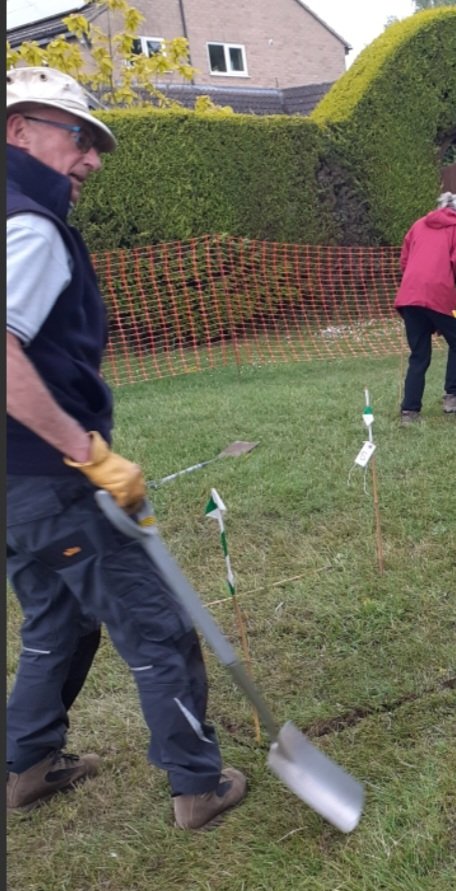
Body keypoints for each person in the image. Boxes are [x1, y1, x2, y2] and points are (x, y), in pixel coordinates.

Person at [6, 67, 246, 829]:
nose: (92, 160)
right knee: (156, 624)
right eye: (79, 137)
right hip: (50, 479)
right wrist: (86, 453)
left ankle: (28, 765)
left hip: (14, 492)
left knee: (57, 620)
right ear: (19, 130)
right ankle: (197, 785)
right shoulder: (31, 229)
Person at [394, 191, 456, 425]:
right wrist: (452, 279)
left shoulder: (419, 224)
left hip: (410, 297)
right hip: (441, 295)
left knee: (419, 355)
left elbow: (404, 259)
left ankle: (409, 412)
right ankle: (454, 395)